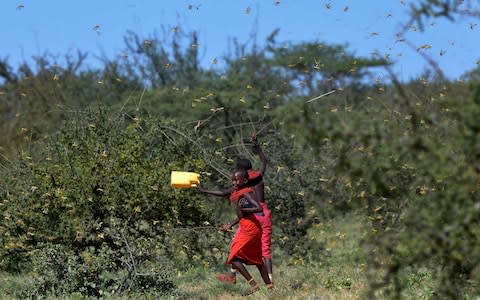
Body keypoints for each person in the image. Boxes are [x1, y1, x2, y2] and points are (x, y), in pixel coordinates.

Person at [197, 134, 273, 284]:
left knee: (239, 244)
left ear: (241, 172)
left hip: (253, 215)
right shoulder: (258, 176)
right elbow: (264, 161)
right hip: (264, 214)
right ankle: (269, 281)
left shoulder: (243, 183)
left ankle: (236, 277)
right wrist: (256, 145)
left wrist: (205, 190)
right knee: (263, 248)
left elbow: (225, 193)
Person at [220, 169, 272, 295]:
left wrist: (246, 209)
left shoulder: (246, 193)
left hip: (249, 229)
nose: (234, 182)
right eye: (233, 180)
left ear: (245, 180)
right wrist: (230, 225)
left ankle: (253, 285)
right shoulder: (240, 193)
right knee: (258, 261)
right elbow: (241, 215)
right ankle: (272, 290)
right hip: (251, 227)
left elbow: (259, 208)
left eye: (237, 180)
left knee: (234, 259)